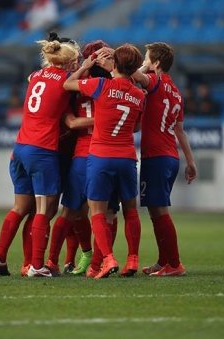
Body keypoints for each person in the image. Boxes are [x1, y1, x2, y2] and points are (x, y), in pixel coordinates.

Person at [0, 37, 79, 278]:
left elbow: (39, 78)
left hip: (19, 149)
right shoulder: (65, 80)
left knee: (20, 207)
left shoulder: (36, 76)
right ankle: (37, 266)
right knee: (44, 210)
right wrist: (89, 64)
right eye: (76, 61)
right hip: (42, 151)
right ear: (69, 63)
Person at [64, 43, 145, 279]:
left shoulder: (100, 85)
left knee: (97, 211)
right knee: (130, 211)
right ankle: (133, 259)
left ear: (115, 63)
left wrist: (88, 66)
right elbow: (137, 127)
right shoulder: (140, 95)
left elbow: (67, 85)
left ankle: (107, 259)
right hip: (127, 158)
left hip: (100, 156)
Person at [132, 42, 197, 277]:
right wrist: (190, 161)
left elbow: (133, 72)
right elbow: (180, 130)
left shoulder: (156, 82)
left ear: (156, 63)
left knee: (160, 212)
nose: (144, 62)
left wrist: (120, 61)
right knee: (154, 210)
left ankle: (175, 264)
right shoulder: (177, 93)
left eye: (147, 58)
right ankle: (164, 261)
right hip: (169, 155)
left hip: (157, 156)